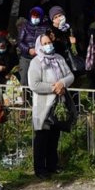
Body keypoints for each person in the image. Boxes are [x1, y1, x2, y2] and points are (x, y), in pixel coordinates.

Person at [28, 32, 75, 179]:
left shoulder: (58, 58)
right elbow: (34, 84)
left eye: (49, 43)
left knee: (54, 135)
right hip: (43, 106)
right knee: (42, 138)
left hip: (58, 104)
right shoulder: (36, 62)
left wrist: (62, 83)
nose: (49, 46)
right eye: (45, 44)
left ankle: (52, 165)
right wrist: (53, 87)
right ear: (39, 46)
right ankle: (40, 169)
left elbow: (70, 75)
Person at [17, 6, 50, 81]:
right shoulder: (25, 26)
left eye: (37, 16)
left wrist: (40, 50)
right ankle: (24, 92)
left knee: (39, 78)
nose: (35, 18)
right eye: (33, 16)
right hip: (26, 57)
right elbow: (19, 41)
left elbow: (48, 42)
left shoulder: (46, 27)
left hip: (40, 57)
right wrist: (28, 50)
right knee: (24, 79)